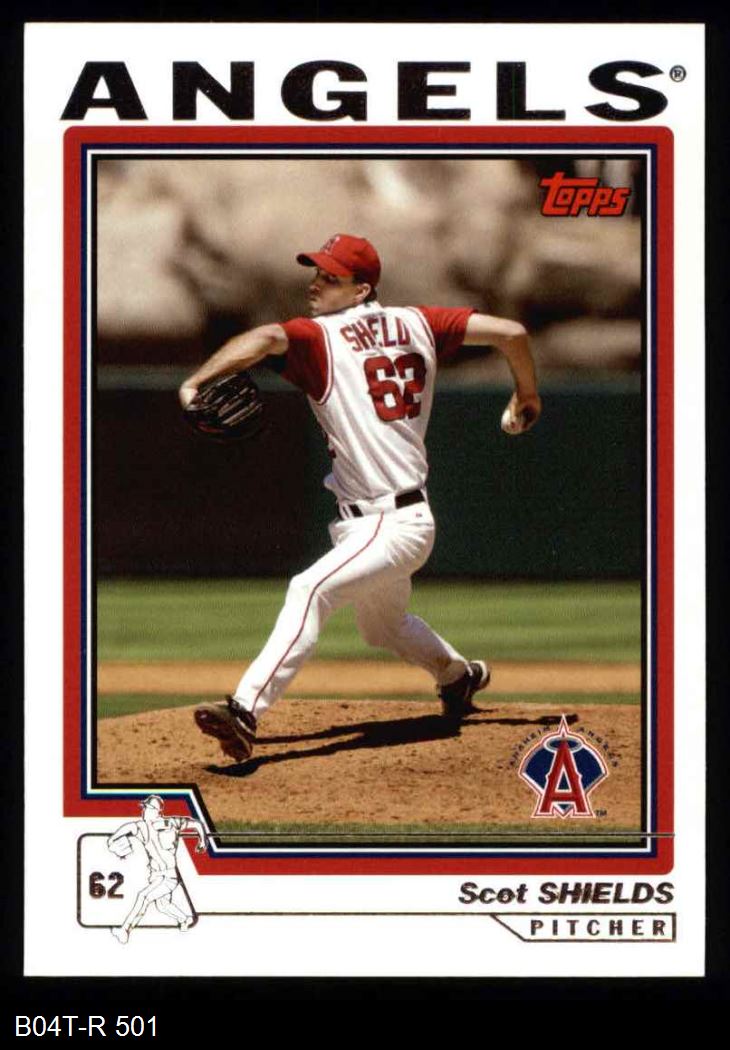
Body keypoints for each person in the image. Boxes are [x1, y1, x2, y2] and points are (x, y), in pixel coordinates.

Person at [179, 233, 541, 764]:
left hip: (392, 524)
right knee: (382, 627)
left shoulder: (321, 337)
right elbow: (512, 332)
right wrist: (526, 393)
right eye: (315, 272)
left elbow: (264, 338)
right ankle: (458, 676)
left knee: (309, 589)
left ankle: (244, 709)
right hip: (388, 520)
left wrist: (196, 381)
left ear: (361, 289)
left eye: (330, 277)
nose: (315, 284)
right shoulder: (420, 322)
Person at [107, 795, 206, 943]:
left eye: (147, 808)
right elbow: (196, 824)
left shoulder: (160, 824)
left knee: (144, 897)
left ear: (156, 810)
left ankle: (125, 930)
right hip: (158, 876)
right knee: (162, 905)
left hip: (167, 877)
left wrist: (203, 841)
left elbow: (196, 824)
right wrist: (202, 841)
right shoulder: (156, 824)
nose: (143, 811)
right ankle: (184, 919)